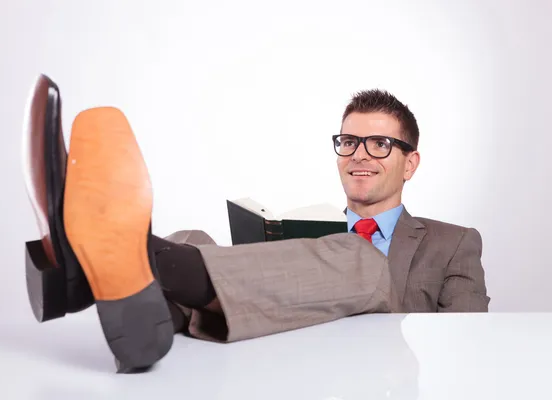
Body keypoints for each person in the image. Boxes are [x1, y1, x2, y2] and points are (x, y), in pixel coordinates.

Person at [26, 85, 489, 372]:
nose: (359, 154)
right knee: (196, 240)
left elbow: (469, 349)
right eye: (349, 141)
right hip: (281, 361)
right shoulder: (302, 233)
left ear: (411, 163)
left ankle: (88, 268)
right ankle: (139, 298)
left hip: (376, 378)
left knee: (357, 257)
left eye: (380, 144)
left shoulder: (454, 242)